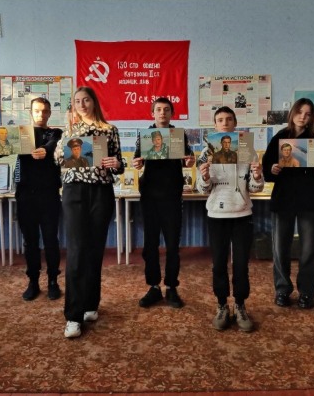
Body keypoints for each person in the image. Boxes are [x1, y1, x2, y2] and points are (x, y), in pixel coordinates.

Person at [55, 86, 124, 338]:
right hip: (74, 192)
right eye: (77, 101)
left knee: (95, 250)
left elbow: (119, 164)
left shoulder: (109, 130)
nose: (82, 104)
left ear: (94, 102)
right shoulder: (68, 130)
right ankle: (73, 316)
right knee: (76, 251)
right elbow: (57, 160)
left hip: (101, 192)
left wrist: (116, 163)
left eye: (86, 100)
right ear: (73, 105)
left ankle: (90, 304)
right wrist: (64, 148)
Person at [262, 98, 314, 310]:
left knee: (309, 250)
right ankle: (282, 290)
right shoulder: (280, 137)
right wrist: (272, 169)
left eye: (308, 113)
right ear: (292, 113)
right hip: (283, 200)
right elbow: (267, 170)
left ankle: (307, 292)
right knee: (280, 249)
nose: (303, 117)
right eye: (300, 112)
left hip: (310, 201)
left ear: (312, 117)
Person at [0, 97, 63, 302]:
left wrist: (45, 150)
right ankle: (33, 281)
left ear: (50, 113)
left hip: (49, 194)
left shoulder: (56, 133)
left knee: (51, 239)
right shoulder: (20, 134)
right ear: (31, 112)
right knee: (30, 241)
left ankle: (53, 281)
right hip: (25, 194)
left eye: (45, 111)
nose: (41, 114)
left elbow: (51, 145)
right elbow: (2, 150)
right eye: (37, 111)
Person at [197, 106, 264, 331]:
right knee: (218, 263)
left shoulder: (247, 149)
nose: (224, 123)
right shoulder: (206, 152)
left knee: (241, 264)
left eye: (228, 119)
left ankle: (241, 305)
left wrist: (257, 176)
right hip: (217, 214)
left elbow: (255, 188)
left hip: (242, 213)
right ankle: (222, 305)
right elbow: (202, 189)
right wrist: (205, 177)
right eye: (220, 120)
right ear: (215, 125)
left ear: (235, 123)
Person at [132, 98, 195, 310]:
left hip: (172, 195)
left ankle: (171, 287)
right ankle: (153, 287)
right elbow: (136, 160)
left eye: (166, 110)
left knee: (172, 245)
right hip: (150, 195)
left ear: (172, 113)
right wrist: (136, 163)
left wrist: (190, 161)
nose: (162, 113)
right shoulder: (145, 135)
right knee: (150, 244)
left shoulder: (178, 135)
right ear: (153, 113)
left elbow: (188, 158)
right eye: (158, 109)